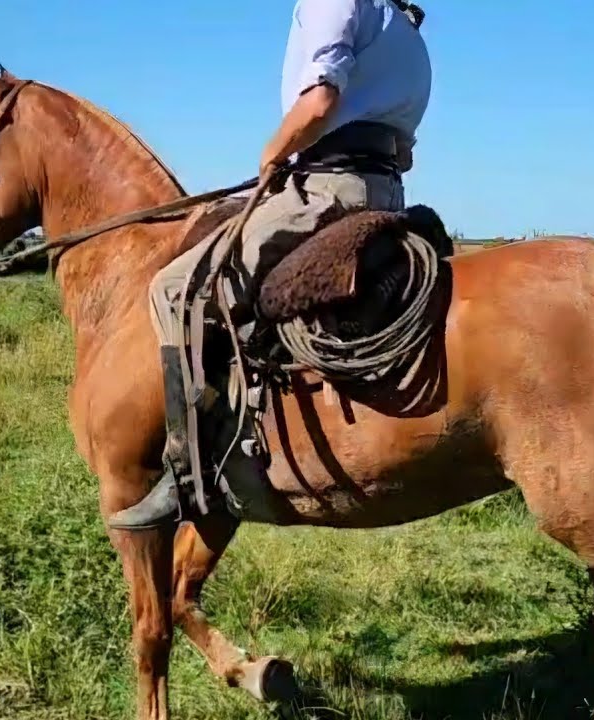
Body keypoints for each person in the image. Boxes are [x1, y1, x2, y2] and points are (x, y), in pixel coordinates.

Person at [109, 0, 432, 530]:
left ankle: (186, 476)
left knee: (174, 289)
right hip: (384, 192)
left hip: (327, 189)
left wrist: (274, 153)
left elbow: (320, 101)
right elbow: (404, 152)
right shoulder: (407, 30)